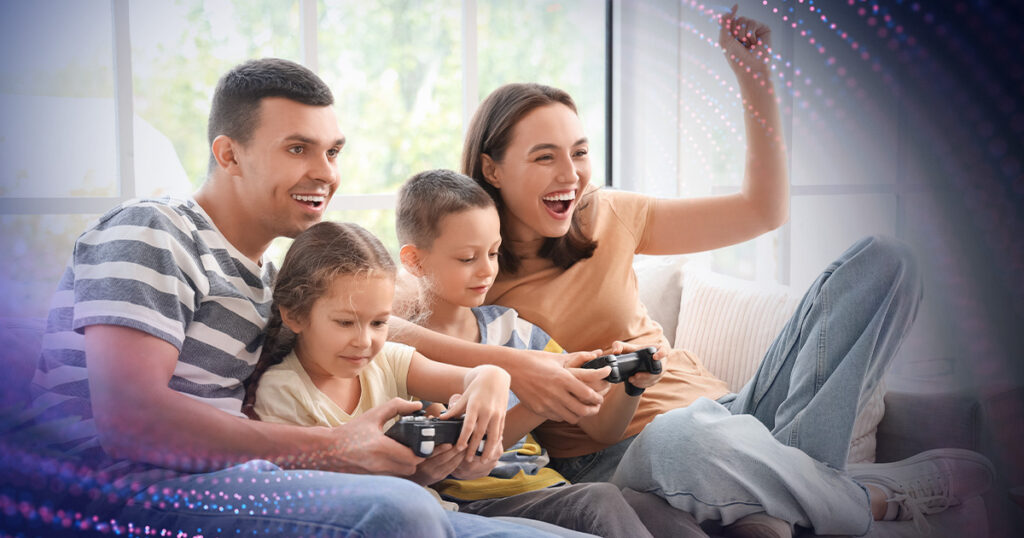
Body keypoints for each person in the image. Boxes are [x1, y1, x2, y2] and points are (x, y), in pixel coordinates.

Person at [394, 7, 996, 538]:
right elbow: (387, 330)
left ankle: (789, 493)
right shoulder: (468, 269)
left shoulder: (611, 215)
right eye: (544, 157)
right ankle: (868, 499)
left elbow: (762, 212)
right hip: (624, 454)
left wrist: (753, 81)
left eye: (578, 152)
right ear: (493, 170)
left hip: (733, 415)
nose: (570, 174)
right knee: (681, 438)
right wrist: (523, 366)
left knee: (886, 263)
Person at [26, 57, 567, 537]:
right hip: (120, 495)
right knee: (400, 513)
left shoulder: (268, 279)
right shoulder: (154, 230)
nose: (326, 172)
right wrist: (333, 449)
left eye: (332, 151)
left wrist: (484, 381)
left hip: (238, 484)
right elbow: (130, 421)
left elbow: (378, 329)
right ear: (229, 155)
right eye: (297, 149)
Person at [395, 168, 708, 538]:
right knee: (599, 501)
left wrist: (631, 386)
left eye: (494, 253)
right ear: (414, 261)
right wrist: (539, 402)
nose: (487, 271)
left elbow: (603, 429)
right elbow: (466, 457)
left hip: (550, 488)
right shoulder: (408, 359)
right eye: (467, 259)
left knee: (657, 512)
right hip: (480, 505)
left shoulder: (516, 330)